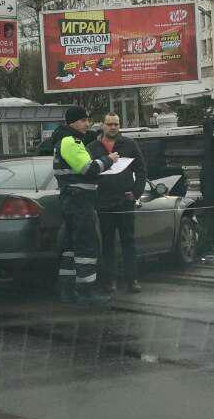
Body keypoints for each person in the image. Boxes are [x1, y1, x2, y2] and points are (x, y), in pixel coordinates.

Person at [51, 105, 117, 306]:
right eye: (82, 120)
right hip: (79, 201)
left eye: (87, 120)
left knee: (71, 247)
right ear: (72, 122)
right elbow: (88, 169)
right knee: (87, 246)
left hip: (73, 200)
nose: (87, 124)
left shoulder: (67, 140)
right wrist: (109, 159)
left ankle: (67, 290)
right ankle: (87, 291)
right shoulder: (70, 142)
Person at [95, 112, 148, 294]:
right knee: (107, 243)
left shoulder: (129, 144)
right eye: (109, 124)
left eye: (116, 124)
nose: (113, 127)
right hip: (103, 203)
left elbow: (141, 170)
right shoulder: (93, 147)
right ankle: (110, 280)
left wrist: (136, 192)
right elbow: (86, 171)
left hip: (125, 202)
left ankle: (132, 279)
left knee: (128, 241)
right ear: (103, 125)